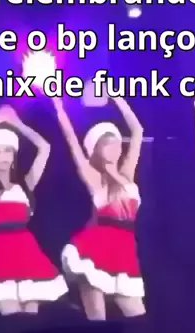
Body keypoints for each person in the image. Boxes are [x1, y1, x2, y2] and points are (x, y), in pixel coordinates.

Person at [0, 105, 68, 315]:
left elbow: (44, 147)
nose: (3, 156)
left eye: (8, 150)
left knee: (31, 317)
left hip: (27, 253)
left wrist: (17, 124)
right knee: (12, 317)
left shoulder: (25, 185)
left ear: (14, 154)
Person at [53, 95, 145, 320]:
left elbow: (138, 131)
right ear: (96, 150)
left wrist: (117, 97)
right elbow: (71, 139)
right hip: (96, 247)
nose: (114, 147)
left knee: (138, 314)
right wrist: (58, 105)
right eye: (107, 143)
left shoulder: (127, 173)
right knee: (96, 317)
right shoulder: (94, 177)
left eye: (116, 142)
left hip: (124, 249)